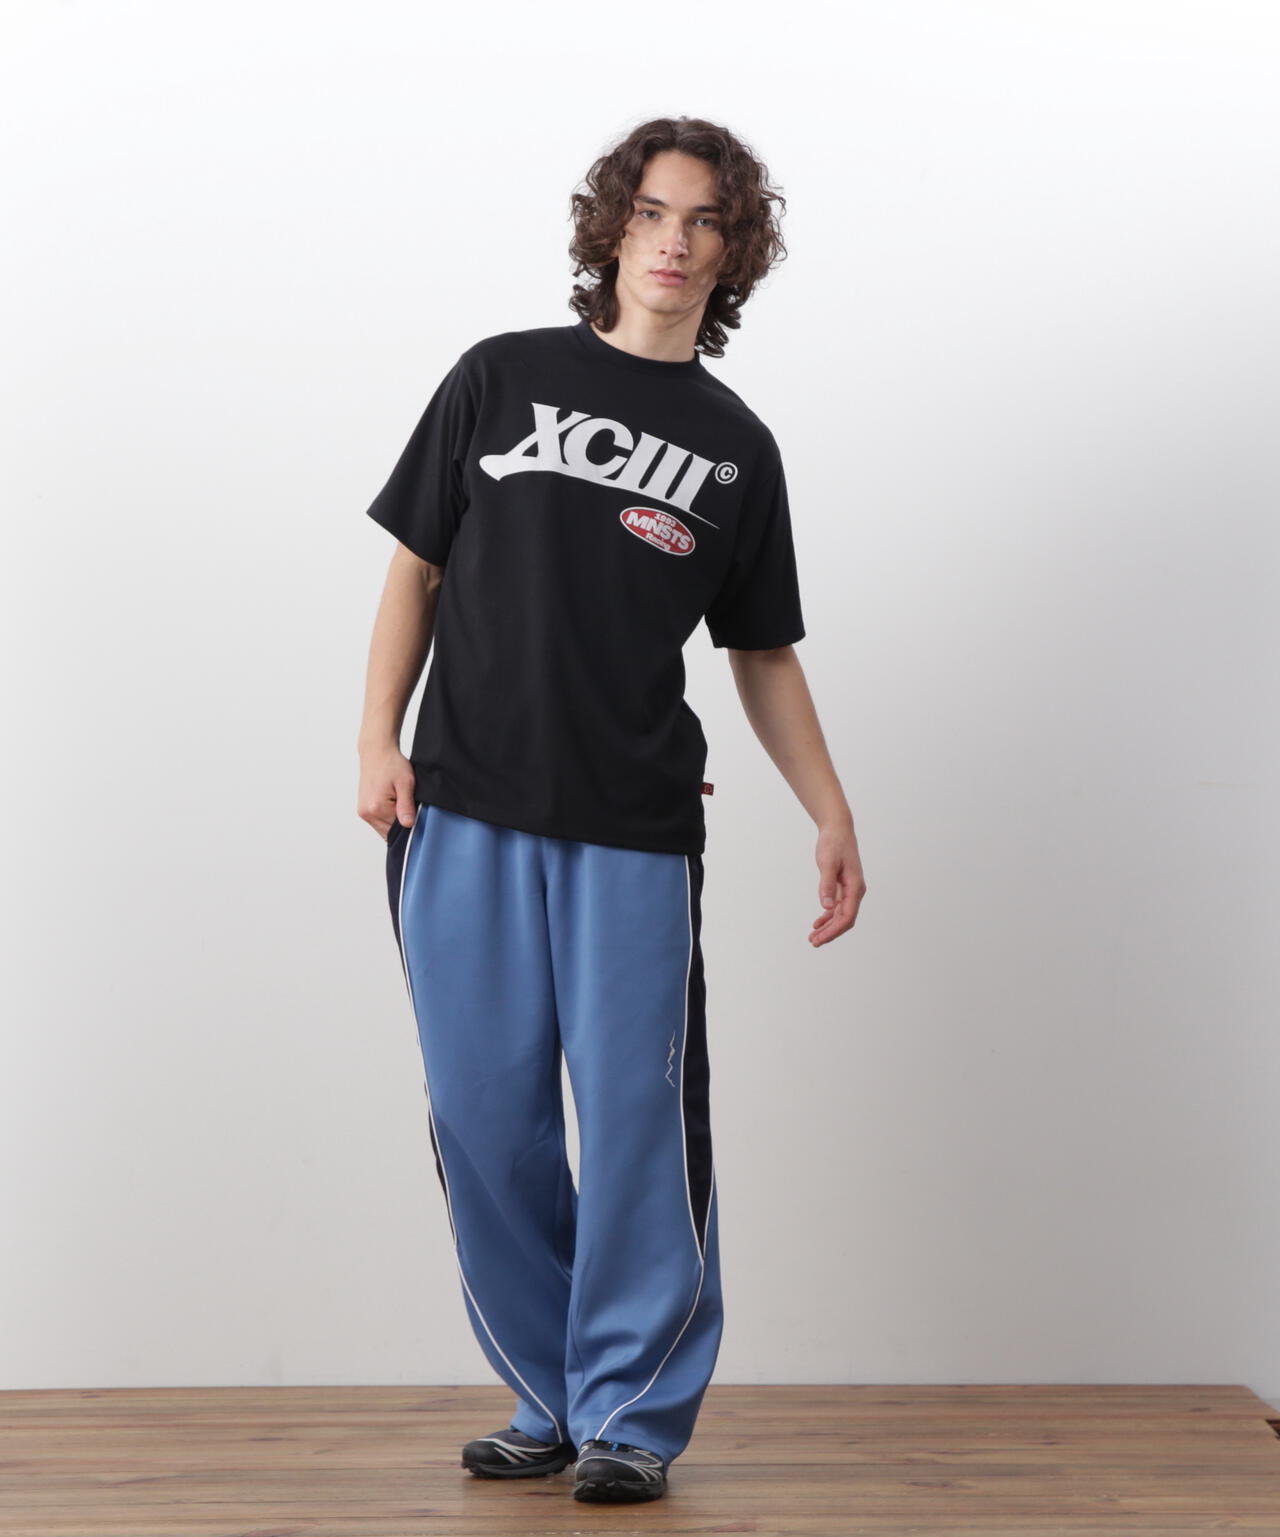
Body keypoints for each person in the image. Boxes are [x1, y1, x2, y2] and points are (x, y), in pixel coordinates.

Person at [355, 115, 865, 1506]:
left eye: (705, 220)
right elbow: (415, 570)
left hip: (634, 829)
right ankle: (549, 1392)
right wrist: (377, 738)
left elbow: (762, 652)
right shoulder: (499, 377)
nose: (674, 242)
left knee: (638, 1123)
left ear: (734, 251)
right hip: (460, 804)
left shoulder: (736, 449)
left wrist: (829, 810)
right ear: (612, 228)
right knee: (484, 1119)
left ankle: (632, 1411)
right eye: (651, 212)